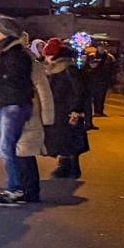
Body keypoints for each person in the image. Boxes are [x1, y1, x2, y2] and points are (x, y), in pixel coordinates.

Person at [0, 17, 52, 206]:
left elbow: (42, 89)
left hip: (25, 110)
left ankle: (24, 191)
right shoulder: (0, 53)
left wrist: (47, 117)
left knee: (22, 151)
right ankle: (26, 191)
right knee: (19, 151)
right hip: (14, 107)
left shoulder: (23, 58)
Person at [41, 38, 91, 178]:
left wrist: (76, 110)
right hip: (58, 109)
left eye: (49, 55)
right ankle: (66, 166)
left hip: (67, 110)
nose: (47, 59)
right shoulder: (55, 69)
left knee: (69, 139)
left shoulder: (68, 69)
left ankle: (69, 167)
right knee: (63, 139)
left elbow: (80, 90)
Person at [85, 44, 116, 117]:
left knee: (102, 96)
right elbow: (86, 66)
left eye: (103, 47)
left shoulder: (110, 57)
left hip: (104, 79)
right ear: (97, 48)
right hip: (94, 78)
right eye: (100, 47)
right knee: (95, 95)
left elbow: (114, 68)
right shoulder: (92, 55)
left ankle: (100, 110)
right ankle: (96, 111)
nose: (102, 48)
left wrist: (112, 79)